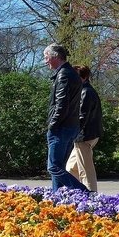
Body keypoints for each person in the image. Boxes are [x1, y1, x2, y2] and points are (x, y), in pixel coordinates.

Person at [43, 44, 88, 192]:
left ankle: (83, 192)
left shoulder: (64, 75)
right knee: (59, 167)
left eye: (46, 57)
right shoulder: (71, 73)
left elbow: (61, 104)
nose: (45, 61)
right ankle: (57, 198)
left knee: (54, 167)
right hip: (70, 126)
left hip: (61, 128)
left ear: (55, 56)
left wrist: (53, 125)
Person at [65, 65, 103, 193]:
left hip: (84, 136)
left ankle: (91, 194)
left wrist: (72, 132)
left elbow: (82, 116)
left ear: (84, 77)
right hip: (85, 135)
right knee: (71, 168)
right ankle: (75, 192)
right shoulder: (85, 91)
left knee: (85, 170)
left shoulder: (85, 92)